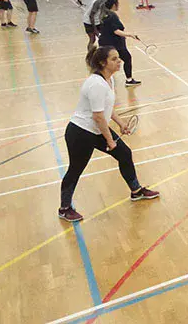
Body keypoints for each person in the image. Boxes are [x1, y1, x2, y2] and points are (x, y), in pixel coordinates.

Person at [58, 46, 159, 223]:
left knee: (125, 154)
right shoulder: (96, 84)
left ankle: (136, 191)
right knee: (76, 169)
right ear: (103, 63)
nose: (119, 61)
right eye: (114, 59)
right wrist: (110, 140)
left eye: (118, 58)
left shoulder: (108, 81)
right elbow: (97, 116)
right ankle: (64, 208)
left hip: (96, 129)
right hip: (81, 133)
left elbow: (106, 108)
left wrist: (121, 123)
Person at [98, 0, 141, 86]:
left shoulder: (104, 14)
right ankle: (129, 80)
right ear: (114, 5)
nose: (118, 6)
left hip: (104, 42)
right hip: (114, 44)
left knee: (106, 62)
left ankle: (104, 79)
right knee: (127, 58)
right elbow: (116, 31)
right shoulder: (112, 16)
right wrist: (130, 35)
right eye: (117, 4)